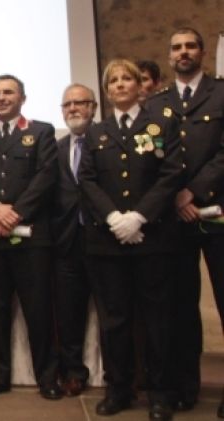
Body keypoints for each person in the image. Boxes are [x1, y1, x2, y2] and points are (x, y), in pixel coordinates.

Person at [79, 59, 182, 421]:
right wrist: (113, 218)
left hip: (151, 238)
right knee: (115, 320)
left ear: (140, 86)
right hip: (108, 242)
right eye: (113, 81)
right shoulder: (96, 132)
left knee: (156, 319)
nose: (120, 85)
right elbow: (87, 180)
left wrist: (138, 217)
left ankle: (159, 394)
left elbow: (170, 174)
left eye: (127, 79)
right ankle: (118, 389)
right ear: (106, 91)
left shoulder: (161, 124)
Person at [0, 74, 62, 400]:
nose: (1, 98)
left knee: (39, 310)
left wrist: (14, 213)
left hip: (32, 237)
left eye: (8, 93)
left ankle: (47, 376)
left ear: (22, 98)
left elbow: (46, 177)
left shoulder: (41, 131)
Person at [145, 27, 224, 416]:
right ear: (170, 55)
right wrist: (174, 196)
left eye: (190, 46)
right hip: (173, 219)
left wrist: (193, 191)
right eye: (176, 47)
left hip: (215, 214)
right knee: (179, 307)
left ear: (203, 52)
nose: (183, 52)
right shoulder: (156, 104)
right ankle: (184, 387)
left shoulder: (221, 93)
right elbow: (151, 158)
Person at [51, 83, 97, 396]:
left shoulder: (107, 140)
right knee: (69, 313)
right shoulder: (54, 148)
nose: (73, 109)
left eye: (80, 103)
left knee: (114, 311)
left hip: (104, 238)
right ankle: (72, 372)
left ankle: (121, 375)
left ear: (93, 107)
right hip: (66, 241)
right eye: (67, 105)